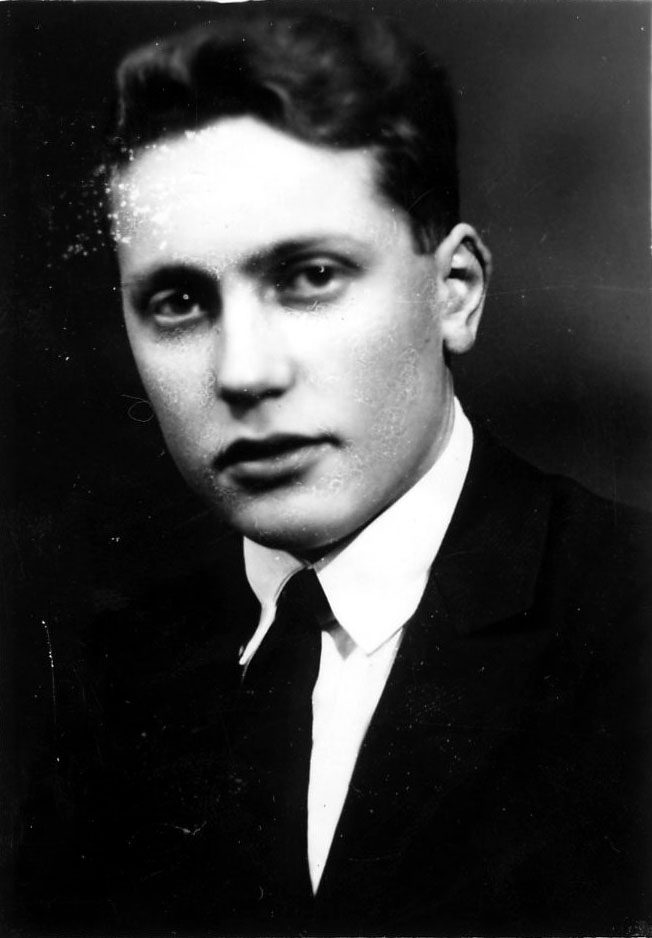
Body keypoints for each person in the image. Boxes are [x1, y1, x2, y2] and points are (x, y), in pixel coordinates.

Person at [15, 9, 651, 937]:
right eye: (179, 300)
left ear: (455, 293)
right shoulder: (107, 672)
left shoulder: (629, 620)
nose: (244, 372)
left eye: (310, 275)